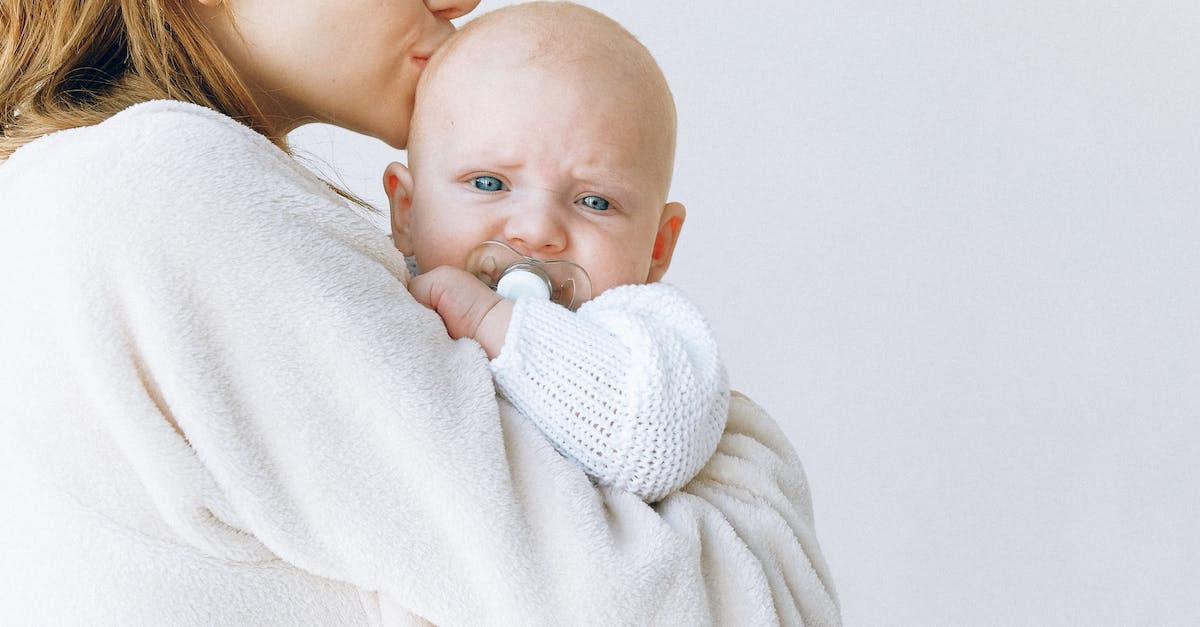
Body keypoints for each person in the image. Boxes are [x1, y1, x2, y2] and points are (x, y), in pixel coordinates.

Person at [0, 0, 840, 625]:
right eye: (488, 183)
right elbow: (734, 606)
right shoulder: (166, 191)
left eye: (593, 200)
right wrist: (744, 462)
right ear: (402, 202)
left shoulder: (84, 192)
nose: (463, 1)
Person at [386, 2, 728, 503]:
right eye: (489, 183)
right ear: (407, 212)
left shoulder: (648, 336)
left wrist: (488, 321)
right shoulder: (378, 293)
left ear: (657, 246)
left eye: (595, 201)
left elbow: (655, 444)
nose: (537, 231)